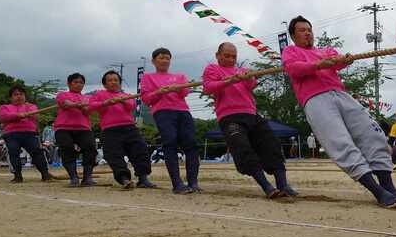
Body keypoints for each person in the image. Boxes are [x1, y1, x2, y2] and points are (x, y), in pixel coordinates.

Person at [283, 16, 396, 208]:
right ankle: (377, 191)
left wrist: (344, 60)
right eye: (302, 30)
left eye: (309, 29)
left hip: (341, 94)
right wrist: (320, 65)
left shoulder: (325, 50)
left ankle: (388, 186)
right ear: (293, 35)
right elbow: (294, 70)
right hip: (315, 99)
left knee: (371, 133)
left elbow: (338, 62)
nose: (307, 33)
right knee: (340, 143)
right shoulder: (290, 51)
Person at [203, 42, 296, 198]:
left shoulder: (243, 70)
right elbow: (209, 88)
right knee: (242, 149)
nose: (231, 59)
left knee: (271, 144)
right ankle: (267, 187)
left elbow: (251, 84)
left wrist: (248, 78)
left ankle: (283, 184)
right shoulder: (212, 69)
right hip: (229, 116)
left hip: (251, 113)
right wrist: (230, 80)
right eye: (227, 56)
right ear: (218, 55)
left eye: (234, 56)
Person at [141, 47, 201, 194]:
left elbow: (185, 92)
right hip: (163, 112)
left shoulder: (180, 77)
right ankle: (177, 183)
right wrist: (159, 92)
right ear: (154, 61)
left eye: (167, 58)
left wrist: (177, 88)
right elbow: (146, 99)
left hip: (183, 111)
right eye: (161, 57)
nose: (165, 60)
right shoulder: (148, 77)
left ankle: (193, 182)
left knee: (191, 144)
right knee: (170, 142)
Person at [89, 71, 156, 189]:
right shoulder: (100, 94)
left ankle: (143, 178)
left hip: (129, 127)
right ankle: (124, 179)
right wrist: (105, 103)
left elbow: (131, 106)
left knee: (140, 151)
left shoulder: (126, 95)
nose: (113, 82)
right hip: (110, 130)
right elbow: (92, 105)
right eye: (110, 80)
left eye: (116, 80)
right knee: (114, 155)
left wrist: (121, 100)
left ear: (120, 83)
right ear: (104, 84)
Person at [0, 86, 52, 183]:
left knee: (37, 152)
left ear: (25, 96)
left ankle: (45, 174)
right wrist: (18, 115)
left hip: (29, 133)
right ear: (11, 97)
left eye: (21, 94)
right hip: (11, 134)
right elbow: (3, 117)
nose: (19, 96)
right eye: (16, 94)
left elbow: (35, 115)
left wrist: (23, 114)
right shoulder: (5, 107)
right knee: (13, 152)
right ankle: (17, 176)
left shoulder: (31, 106)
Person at [54, 73, 97, 186]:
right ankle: (73, 177)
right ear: (69, 84)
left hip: (83, 128)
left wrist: (85, 106)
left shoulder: (87, 98)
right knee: (67, 149)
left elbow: (87, 111)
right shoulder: (62, 95)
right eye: (75, 82)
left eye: (81, 82)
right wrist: (78, 104)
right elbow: (66, 104)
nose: (78, 84)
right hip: (63, 127)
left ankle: (87, 177)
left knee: (90, 148)